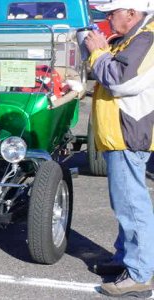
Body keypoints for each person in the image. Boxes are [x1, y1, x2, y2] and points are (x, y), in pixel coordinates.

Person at [84, 0, 154, 297]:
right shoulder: (135, 36)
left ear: (132, 13)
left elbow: (120, 80)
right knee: (126, 201)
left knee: (131, 204)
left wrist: (97, 51)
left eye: (112, 13)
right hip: (122, 133)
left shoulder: (147, 38)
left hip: (128, 133)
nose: (107, 18)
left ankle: (140, 274)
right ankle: (127, 259)